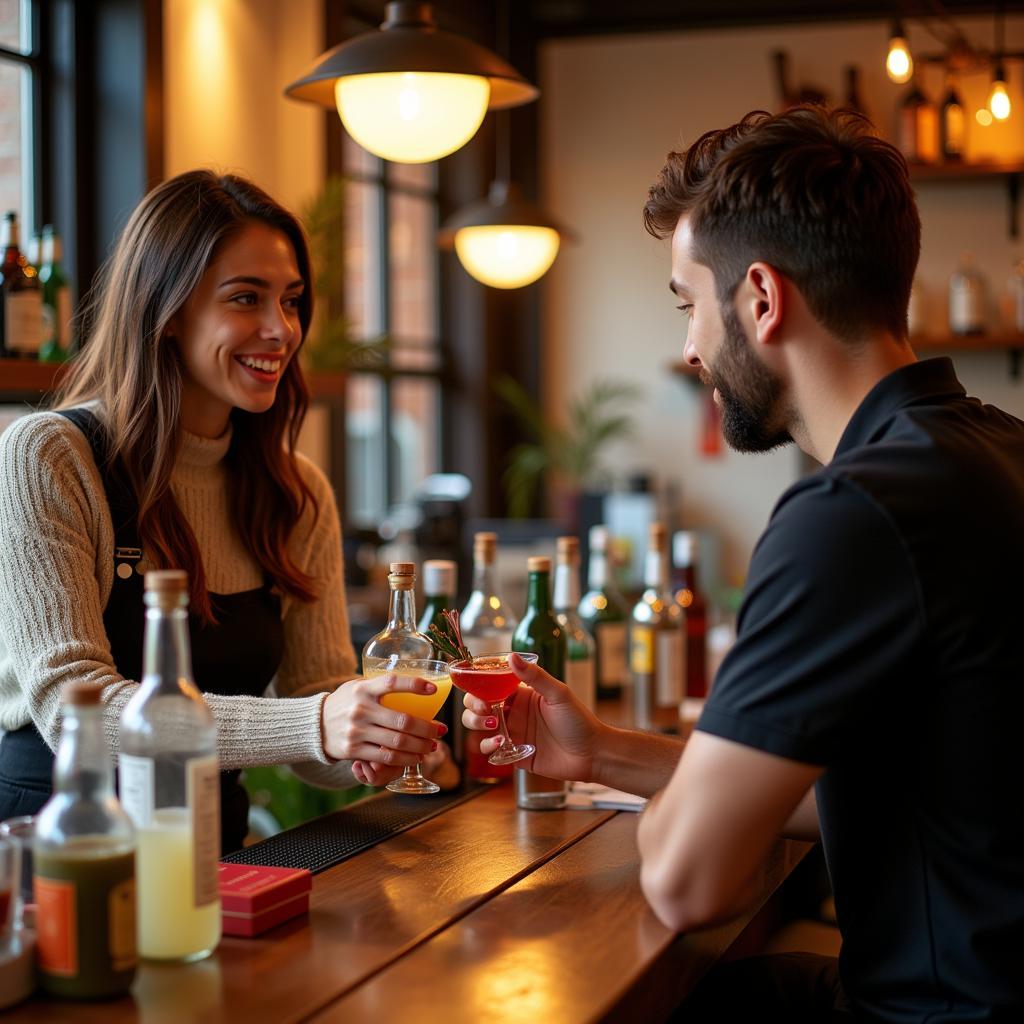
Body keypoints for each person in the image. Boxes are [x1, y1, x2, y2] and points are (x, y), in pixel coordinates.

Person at [463, 106, 1024, 1022]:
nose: (689, 349)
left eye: (689, 303)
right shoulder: (995, 453)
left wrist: (679, 823)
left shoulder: (852, 514)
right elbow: (863, 799)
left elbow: (688, 885)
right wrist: (602, 750)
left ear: (760, 299)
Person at [0, 170, 445, 852]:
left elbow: (315, 709)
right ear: (168, 311)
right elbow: (73, 708)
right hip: (62, 850)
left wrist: (368, 739)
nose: (281, 330)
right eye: (247, 299)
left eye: (292, 301)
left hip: (218, 855)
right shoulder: (51, 458)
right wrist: (316, 722)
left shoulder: (296, 494)